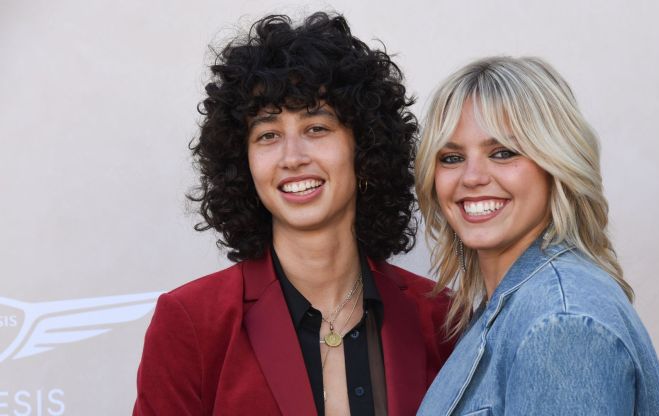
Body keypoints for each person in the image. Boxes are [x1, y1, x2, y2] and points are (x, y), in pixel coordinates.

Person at [133, 12, 452, 416]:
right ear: (241, 161)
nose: (293, 157)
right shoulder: (192, 324)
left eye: (316, 128)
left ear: (365, 146)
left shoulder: (438, 317)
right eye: (268, 134)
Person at [414, 57, 659, 415]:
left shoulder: (560, 326)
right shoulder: (509, 307)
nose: (472, 177)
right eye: (452, 157)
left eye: (502, 153)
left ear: (556, 165)